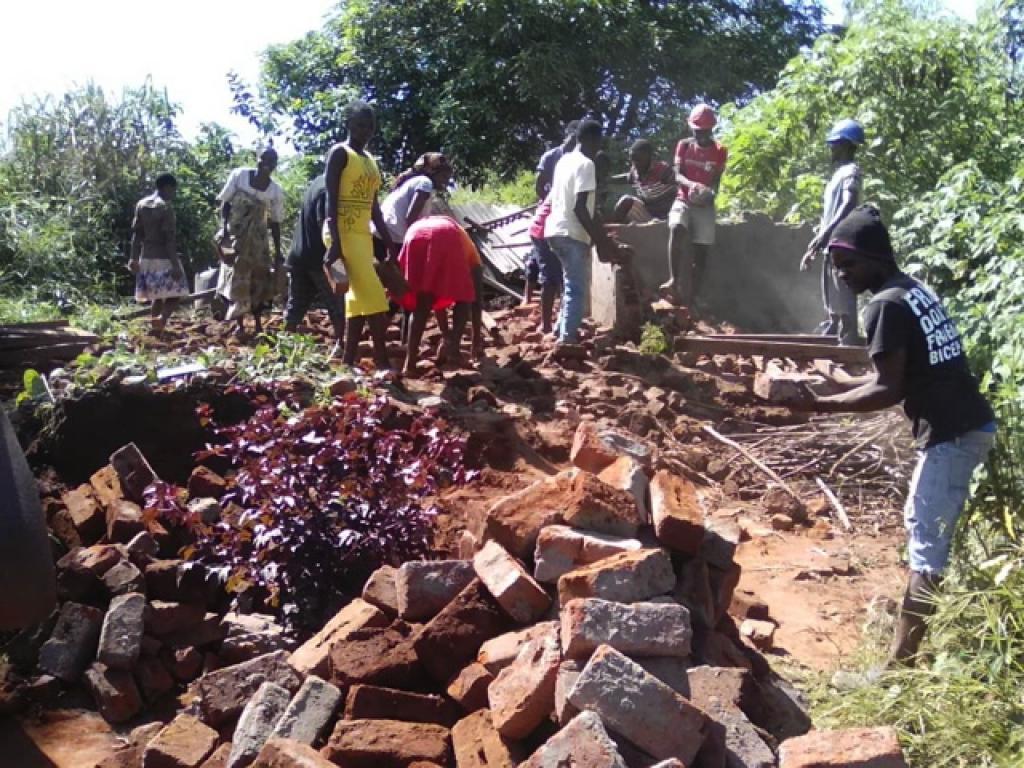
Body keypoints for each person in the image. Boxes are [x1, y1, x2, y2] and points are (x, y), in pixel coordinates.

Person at [789, 206, 996, 667]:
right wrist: (831, 387)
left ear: (875, 259)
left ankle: (898, 670)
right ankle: (917, 647)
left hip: (953, 435)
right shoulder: (910, 290)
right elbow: (896, 373)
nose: (842, 275)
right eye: (837, 267)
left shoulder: (883, 304)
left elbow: (887, 388)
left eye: (848, 265)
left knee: (926, 554)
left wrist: (818, 405)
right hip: (967, 424)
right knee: (922, 529)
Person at [324, 100, 400, 370]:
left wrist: (390, 245)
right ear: (348, 124)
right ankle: (381, 361)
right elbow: (330, 199)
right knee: (375, 295)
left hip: (362, 233)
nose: (364, 130)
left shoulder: (370, 162)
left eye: (369, 126)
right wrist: (334, 243)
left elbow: (374, 207)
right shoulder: (339, 153)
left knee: (356, 301)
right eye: (359, 124)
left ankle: (347, 361)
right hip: (341, 231)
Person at [544, 119, 620, 344]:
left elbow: (586, 207)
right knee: (576, 289)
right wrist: (599, 241)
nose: (599, 148)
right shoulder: (587, 165)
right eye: (598, 142)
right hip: (572, 233)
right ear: (591, 140)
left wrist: (602, 239)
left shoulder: (563, 161)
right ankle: (567, 340)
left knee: (570, 284)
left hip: (554, 231)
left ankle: (560, 330)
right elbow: (580, 208)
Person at [801, 119, 865, 345]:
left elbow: (848, 204)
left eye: (835, 144)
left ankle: (848, 338)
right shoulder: (838, 174)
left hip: (844, 242)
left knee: (844, 291)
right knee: (831, 290)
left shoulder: (851, 172)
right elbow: (830, 212)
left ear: (847, 145)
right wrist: (819, 239)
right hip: (833, 242)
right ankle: (834, 329)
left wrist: (826, 234)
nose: (832, 148)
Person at [397, 215, 482, 376]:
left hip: (414, 233)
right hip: (446, 234)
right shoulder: (475, 260)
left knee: (422, 302)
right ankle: (454, 353)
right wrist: (476, 343)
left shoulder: (463, 241)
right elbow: (475, 303)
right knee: (465, 297)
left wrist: (445, 334)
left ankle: (409, 364)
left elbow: (437, 302)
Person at [216, 147, 285, 337]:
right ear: (258, 159)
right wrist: (224, 232)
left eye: (272, 161)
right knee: (237, 279)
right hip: (237, 237)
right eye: (264, 159)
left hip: (258, 243)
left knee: (259, 281)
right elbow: (225, 204)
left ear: (275, 165)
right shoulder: (239, 176)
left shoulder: (275, 191)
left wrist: (278, 251)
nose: (267, 164)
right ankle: (239, 325)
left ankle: (257, 324)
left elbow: (275, 222)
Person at [664, 104, 728, 307]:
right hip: (683, 198)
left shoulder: (720, 151)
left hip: (704, 205)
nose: (700, 134)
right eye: (697, 130)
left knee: (702, 251)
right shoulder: (683, 145)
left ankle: (695, 295)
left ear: (711, 130)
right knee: (676, 227)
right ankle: (674, 280)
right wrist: (691, 185)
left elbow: (716, 180)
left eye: (704, 131)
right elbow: (677, 174)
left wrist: (708, 194)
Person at [283, 174, 346, 356]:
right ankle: (341, 347)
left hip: (298, 254)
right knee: (338, 302)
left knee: (296, 304)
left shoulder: (317, 181)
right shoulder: (330, 188)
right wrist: (336, 251)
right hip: (323, 254)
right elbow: (325, 222)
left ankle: (284, 346)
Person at [128, 173, 188, 334]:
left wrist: (133, 258)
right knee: (178, 292)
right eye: (173, 190)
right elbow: (169, 239)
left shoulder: (141, 205)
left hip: (146, 256)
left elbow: (136, 234)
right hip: (163, 256)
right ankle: (162, 319)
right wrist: (175, 265)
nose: (174, 194)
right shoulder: (165, 208)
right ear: (167, 187)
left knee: (157, 294)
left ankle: (155, 327)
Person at [376, 152, 453, 248]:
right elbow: (411, 218)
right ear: (432, 171)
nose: (446, 182)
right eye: (444, 177)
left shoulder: (415, 181)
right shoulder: (425, 183)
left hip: (382, 231)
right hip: (391, 236)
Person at [613, 139, 678, 224]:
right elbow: (624, 177)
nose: (635, 164)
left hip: (668, 217)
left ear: (649, 157)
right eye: (632, 160)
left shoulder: (663, 170)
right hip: (648, 216)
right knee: (625, 201)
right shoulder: (634, 173)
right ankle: (617, 231)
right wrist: (606, 179)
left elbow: (679, 190)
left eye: (638, 160)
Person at [524, 198, 561, 334]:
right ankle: (546, 325)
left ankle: (527, 300)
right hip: (544, 230)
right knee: (550, 276)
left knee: (539, 262)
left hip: (542, 227)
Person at [535, 120, 580, 200]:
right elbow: (539, 187)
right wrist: (551, 202)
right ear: (566, 136)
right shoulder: (549, 157)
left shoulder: (582, 160)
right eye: (572, 138)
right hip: (552, 202)